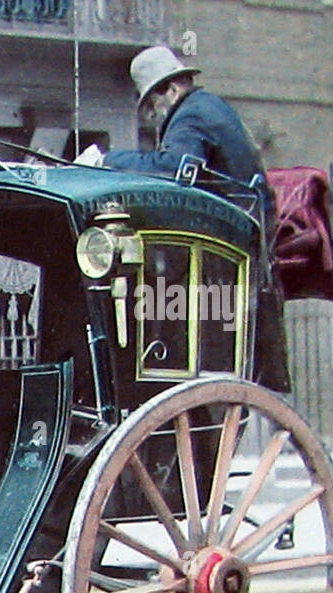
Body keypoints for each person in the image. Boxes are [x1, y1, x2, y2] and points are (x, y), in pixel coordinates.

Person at [85, 46, 290, 392]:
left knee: (158, 294)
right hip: (240, 240)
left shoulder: (191, 115)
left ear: (171, 89)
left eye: (151, 104)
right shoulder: (205, 108)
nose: (151, 115)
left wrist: (107, 161)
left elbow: (174, 172)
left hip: (229, 247)